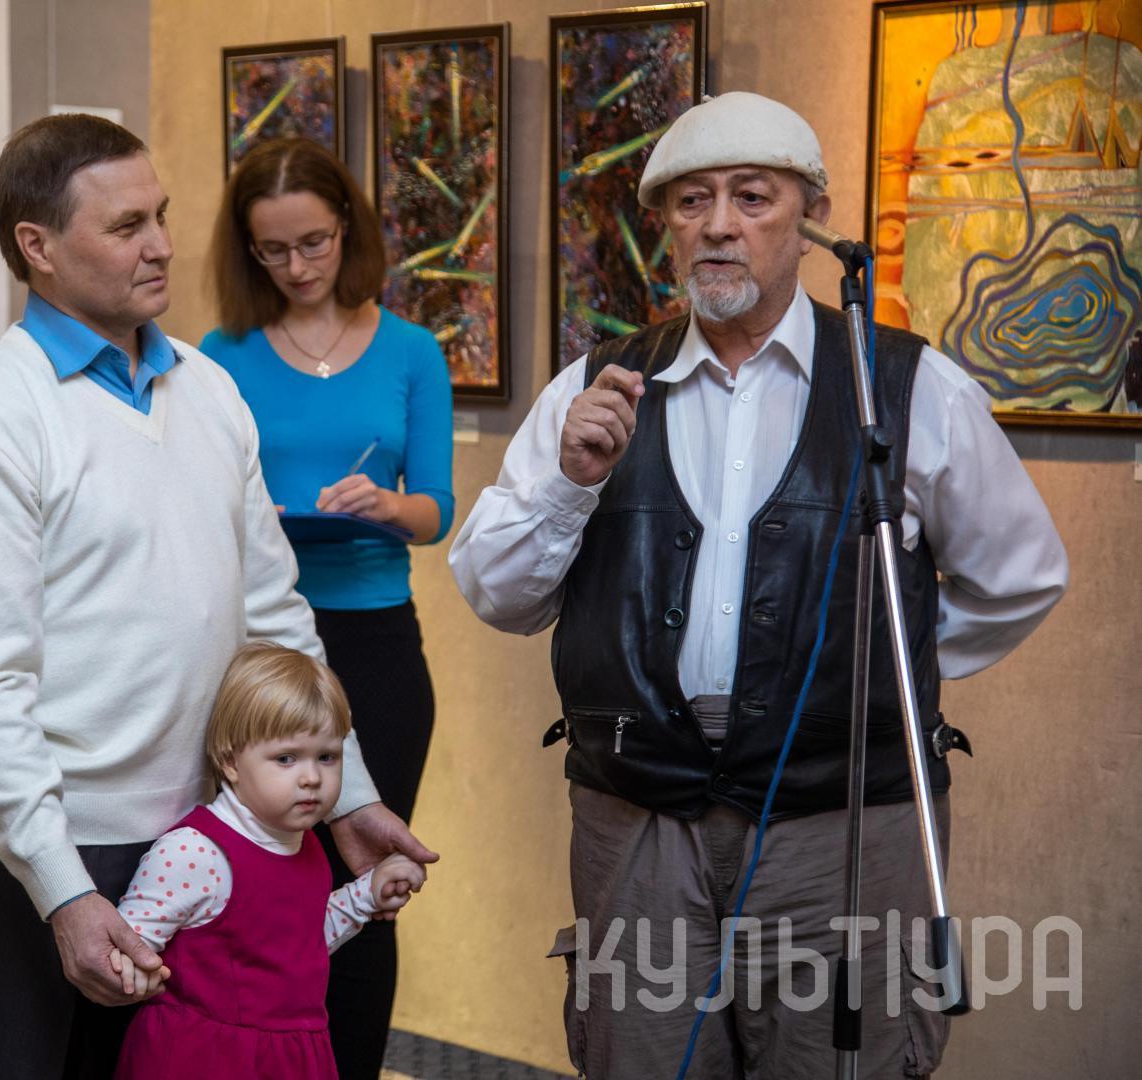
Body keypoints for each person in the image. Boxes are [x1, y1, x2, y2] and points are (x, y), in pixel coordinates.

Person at [449, 91, 1068, 1079]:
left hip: (843, 824)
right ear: (666, 225)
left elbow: (1020, 576)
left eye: (752, 196)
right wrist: (570, 485)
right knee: (642, 1059)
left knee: (839, 1061)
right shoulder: (595, 387)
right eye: (692, 201)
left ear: (811, 214)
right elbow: (497, 595)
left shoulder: (907, 387)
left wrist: (875, 669)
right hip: (639, 822)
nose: (720, 225)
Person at [0, 113, 435, 1080]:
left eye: (161, 215)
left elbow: (276, 617)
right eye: (125, 226)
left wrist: (348, 794)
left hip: (200, 835)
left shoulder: (208, 389)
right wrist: (63, 890)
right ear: (38, 247)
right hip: (45, 846)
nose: (161, 245)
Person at [198, 136, 455, 1079]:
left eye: (313, 242)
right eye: (273, 250)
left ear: (348, 228)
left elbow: (436, 509)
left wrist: (387, 506)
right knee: (255, 877)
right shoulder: (218, 358)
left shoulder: (411, 351)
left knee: (364, 878)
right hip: (256, 648)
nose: (298, 266)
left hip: (374, 644)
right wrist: (249, 519)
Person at [109, 642, 427, 1079]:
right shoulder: (194, 852)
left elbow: (296, 947)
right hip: (205, 1060)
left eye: (327, 757)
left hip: (291, 1057)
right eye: (286, 758)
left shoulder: (305, 844)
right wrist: (132, 969)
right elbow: (126, 947)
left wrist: (365, 895)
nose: (311, 777)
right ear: (230, 761)